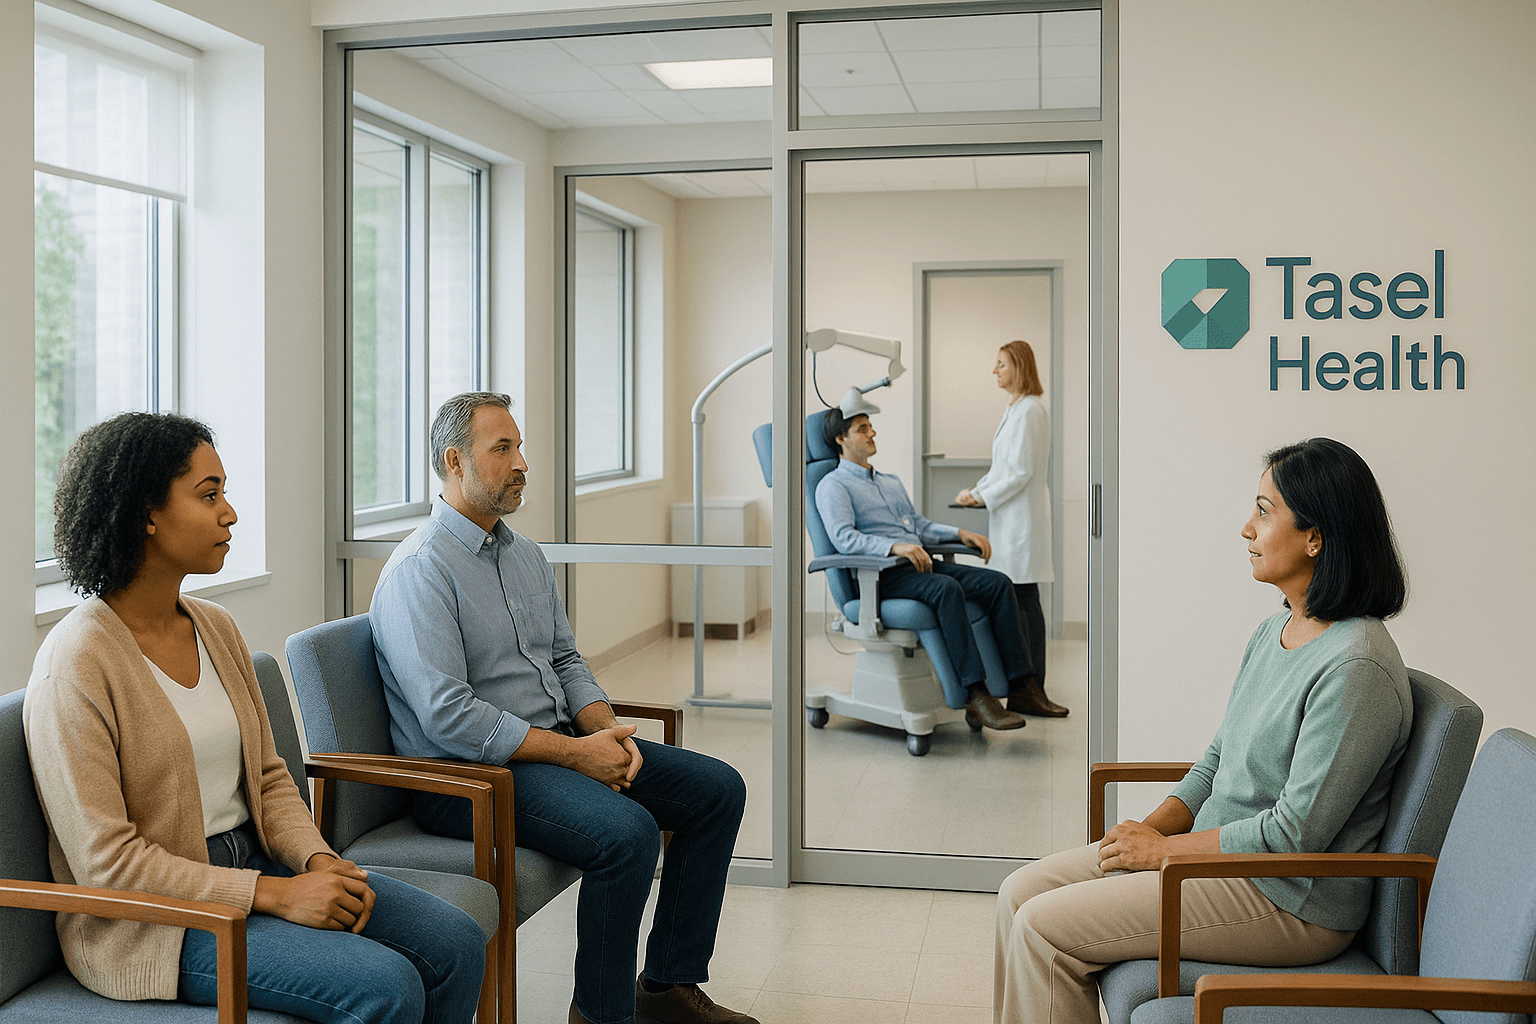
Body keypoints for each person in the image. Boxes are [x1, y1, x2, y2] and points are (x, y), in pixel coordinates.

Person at [24, 412, 485, 1024]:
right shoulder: (76, 662)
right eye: (208, 495)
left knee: (453, 941)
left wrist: (318, 863)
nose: (230, 513)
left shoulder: (216, 628)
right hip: (156, 921)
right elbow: (107, 865)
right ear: (146, 513)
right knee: (387, 986)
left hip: (262, 862)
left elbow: (269, 778)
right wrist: (274, 895)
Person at [993, 437, 1412, 1024]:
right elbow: (1218, 760)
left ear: (1315, 537)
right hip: (1216, 863)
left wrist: (1164, 853)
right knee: (1017, 893)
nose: (1246, 528)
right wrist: (1150, 829)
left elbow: (1294, 835)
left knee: (1043, 931)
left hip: (1288, 900)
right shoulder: (1276, 631)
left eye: (1265, 512)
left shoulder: (1356, 668)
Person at [369, 392, 757, 1024]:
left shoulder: (523, 556)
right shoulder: (421, 570)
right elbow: (447, 715)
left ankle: (666, 987)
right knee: (626, 834)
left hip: (554, 747)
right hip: (464, 777)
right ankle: (600, 1015)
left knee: (717, 790)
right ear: (454, 462)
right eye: (503, 449)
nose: (522, 462)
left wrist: (606, 729)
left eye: (520, 446)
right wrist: (577, 753)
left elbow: (567, 661)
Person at [814, 404, 1038, 732]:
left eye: (870, 425)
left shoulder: (889, 482)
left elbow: (917, 525)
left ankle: (1021, 686)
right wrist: (893, 546)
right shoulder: (833, 486)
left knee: (998, 583)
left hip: (917, 565)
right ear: (840, 438)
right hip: (881, 577)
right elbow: (844, 538)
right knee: (946, 589)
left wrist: (958, 533)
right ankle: (975, 694)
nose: (872, 432)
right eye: (862, 428)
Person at [955, 340, 1067, 718]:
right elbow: (1001, 467)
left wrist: (982, 497)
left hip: (1022, 523)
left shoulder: (1032, 410)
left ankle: (1032, 688)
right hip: (1010, 519)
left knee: (1026, 605)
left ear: (1019, 367)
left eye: (1001, 364)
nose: (994, 370)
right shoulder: (1016, 409)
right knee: (1020, 603)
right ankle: (1025, 688)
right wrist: (976, 491)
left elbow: (1020, 472)